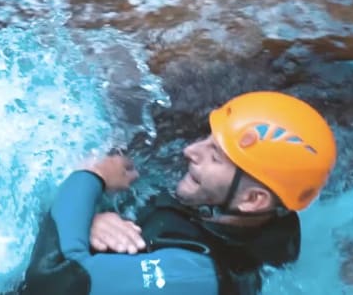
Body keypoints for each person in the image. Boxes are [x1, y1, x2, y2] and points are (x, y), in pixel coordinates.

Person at [21, 91, 337, 295]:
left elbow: (53, 281)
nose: (190, 150)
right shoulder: (229, 209)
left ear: (252, 200)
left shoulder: (197, 276)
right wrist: (93, 218)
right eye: (206, 138)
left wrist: (90, 180)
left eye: (214, 156)